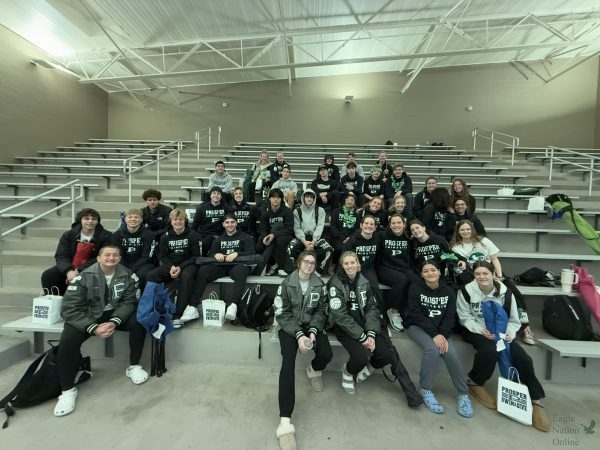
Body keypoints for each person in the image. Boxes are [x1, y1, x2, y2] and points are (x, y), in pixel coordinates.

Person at [53, 245, 148, 417]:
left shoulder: (128, 275)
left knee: (138, 323)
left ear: (119, 258)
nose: (111, 258)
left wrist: (114, 321)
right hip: (88, 317)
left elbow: (129, 302)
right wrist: (93, 327)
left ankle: (134, 366)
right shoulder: (83, 277)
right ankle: (67, 391)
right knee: (67, 342)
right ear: (98, 258)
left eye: (115, 255)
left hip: (114, 315)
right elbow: (69, 309)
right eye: (107, 255)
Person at [456, 260, 550, 432]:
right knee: (489, 351)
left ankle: (536, 399)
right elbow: (464, 317)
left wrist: (510, 333)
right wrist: (480, 330)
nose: (482, 277)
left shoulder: (506, 292)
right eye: (478, 274)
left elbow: (514, 320)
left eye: (485, 273)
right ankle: (475, 381)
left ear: (493, 274)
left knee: (523, 358)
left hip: (502, 331)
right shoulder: (466, 291)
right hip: (477, 329)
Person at [327, 251, 421, 406]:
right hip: (344, 327)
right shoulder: (335, 283)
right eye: (346, 263)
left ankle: (370, 367)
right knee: (359, 358)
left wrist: (370, 331)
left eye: (353, 262)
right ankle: (348, 372)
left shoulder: (364, 281)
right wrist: (362, 337)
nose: (350, 266)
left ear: (358, 264)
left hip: (364, 325)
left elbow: (372, 308)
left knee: (386, 355)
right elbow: (340, 316)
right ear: (342, 266)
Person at [274, 250, 333, 450]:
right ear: (299, 263)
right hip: (289, 327)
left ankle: (313, 369)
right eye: (306, 262)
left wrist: (314, 331)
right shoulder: (286, 283)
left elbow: (322, 310)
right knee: (288, 363)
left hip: (311, 326)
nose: (309, 265)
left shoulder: (319, 284)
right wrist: (299, 335)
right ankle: (285, 421)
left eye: (313, 263)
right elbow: (281, 313)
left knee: (326, 354)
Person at [403, 261, 473, 417]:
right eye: (426, 271)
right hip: (417, 327)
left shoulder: (448, 291)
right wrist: (434, 334)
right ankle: (425, 389)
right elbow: (416, 314)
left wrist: (441, 333)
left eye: (433, 270)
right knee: (432, 350)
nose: (430, 273)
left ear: (439, 272)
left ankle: (463, 394)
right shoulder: (415, 288)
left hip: (441, 332)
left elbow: (449, 318)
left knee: (451, 354)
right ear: (421, 274)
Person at [450, 220, 535, 345]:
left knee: (516, 294)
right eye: (462, 229)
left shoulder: (483, 241)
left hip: (493, 274)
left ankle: (525, 327)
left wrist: (499, 276)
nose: (465, 232)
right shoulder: (456, 248)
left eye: (468, 229)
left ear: (472, 229)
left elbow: (494, 259)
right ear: (458, 231)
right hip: (476, 277)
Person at [191, 214, 259, 321]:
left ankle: (233, 305)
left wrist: (237, 254)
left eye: (232, 222)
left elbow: (252, 252)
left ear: (236, 223)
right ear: (223, 224)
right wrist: (215, 255)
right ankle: (192, 306)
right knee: (203, 271)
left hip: (238, 266)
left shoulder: (245, 237)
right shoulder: (219, 239)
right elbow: (211, 255)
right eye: (227, 222)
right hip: (221, 267)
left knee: (241, 270)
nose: (230, 224)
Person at [147, 209, 201, 328]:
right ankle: (152, 309)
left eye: (180, 219)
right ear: (171, 221)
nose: (178, 222)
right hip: (171, 265)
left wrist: (180, 267)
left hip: (188, 264)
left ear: (185, 221)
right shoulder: (165, 237)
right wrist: (171, 267)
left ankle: (178, 314)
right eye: (175, 219)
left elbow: (196, 256)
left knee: (187, 276)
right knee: (151, 275)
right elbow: (163, 256)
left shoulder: (193, 235)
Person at [41, 208, 112, 295]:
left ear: (97, 221)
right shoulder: (68, 235)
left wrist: (78, 270)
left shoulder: (106, 236)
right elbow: (61, 256)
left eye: (93, 219)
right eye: (86, 218)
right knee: (49, 275)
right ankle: (56, 299)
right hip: (70, 266)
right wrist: (68, 271)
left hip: (93, 267)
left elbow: (101, 257)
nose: (90, 221)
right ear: (80, 220)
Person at [376, 214, 414, 332]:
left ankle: (412, 314)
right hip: (384, 268)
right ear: (390, 225)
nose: (396, 225)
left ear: (404, 224)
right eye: (393, 223)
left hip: (403, 267)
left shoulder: (408, 237)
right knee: (401, 280)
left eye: (399, 222)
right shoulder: (382, 235)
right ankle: (393, 311)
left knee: (416, 281)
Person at [287, 189, 333, 275]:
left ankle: (317, 271)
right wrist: (304, 241)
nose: (309, 199)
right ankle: (297, 268)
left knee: (328, 250)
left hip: (316, 237)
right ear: (303, 198)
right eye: (307, 197)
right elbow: (297, 228)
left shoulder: (320, 210)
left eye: (311, 197)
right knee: (291, 247)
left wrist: (314, 241)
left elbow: (320, 226)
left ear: (314, 198)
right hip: (302, 237)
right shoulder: (297, 211)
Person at [110, 208, 157, 290]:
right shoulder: (117, 235)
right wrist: (125, 269)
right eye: (130, 217)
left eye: (136, 217)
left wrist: (132, 270)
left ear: (141, 220)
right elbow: (116, 253)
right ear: (125, 219)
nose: (133, 219)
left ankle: (141, 299)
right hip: (123, 263)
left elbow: (148, 256)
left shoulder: (149, 234)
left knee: (144, 274)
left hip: (143, 264)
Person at [257, 188, 294, 277]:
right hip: (270, 235)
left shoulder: (287, 211)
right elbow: (263, 228)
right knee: (259, 245)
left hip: (285, 235)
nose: (276, 199)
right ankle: (272, 264)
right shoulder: (265, 213)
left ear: (281, 199)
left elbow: (289, 229)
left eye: (278, 197)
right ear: (269, 199)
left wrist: (274, 235)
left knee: (280, 241)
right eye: (273, 197)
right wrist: (265, 237)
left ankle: (280, 268)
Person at [191, 186, 229, 255]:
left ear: (221, 196)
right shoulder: (202, 207)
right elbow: (194, 226)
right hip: (204, 235)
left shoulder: (226, 207)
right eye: (214, 193)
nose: (216, 195)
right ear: (210, 195)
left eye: (218, 193)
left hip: (220, 235)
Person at [329, 192, 359, 264]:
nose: (349, 201)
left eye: (352, 200)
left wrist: (349, 238)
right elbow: (333, 226)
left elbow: (358, 228)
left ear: (354, 203)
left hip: (351, 237)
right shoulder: (337, 211)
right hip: (337, 237)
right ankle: (334, 264)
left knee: (351, 248)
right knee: (340, 248)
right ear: (345, 201)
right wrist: (342, 238)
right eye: (347, 199)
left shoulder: (357, 213)